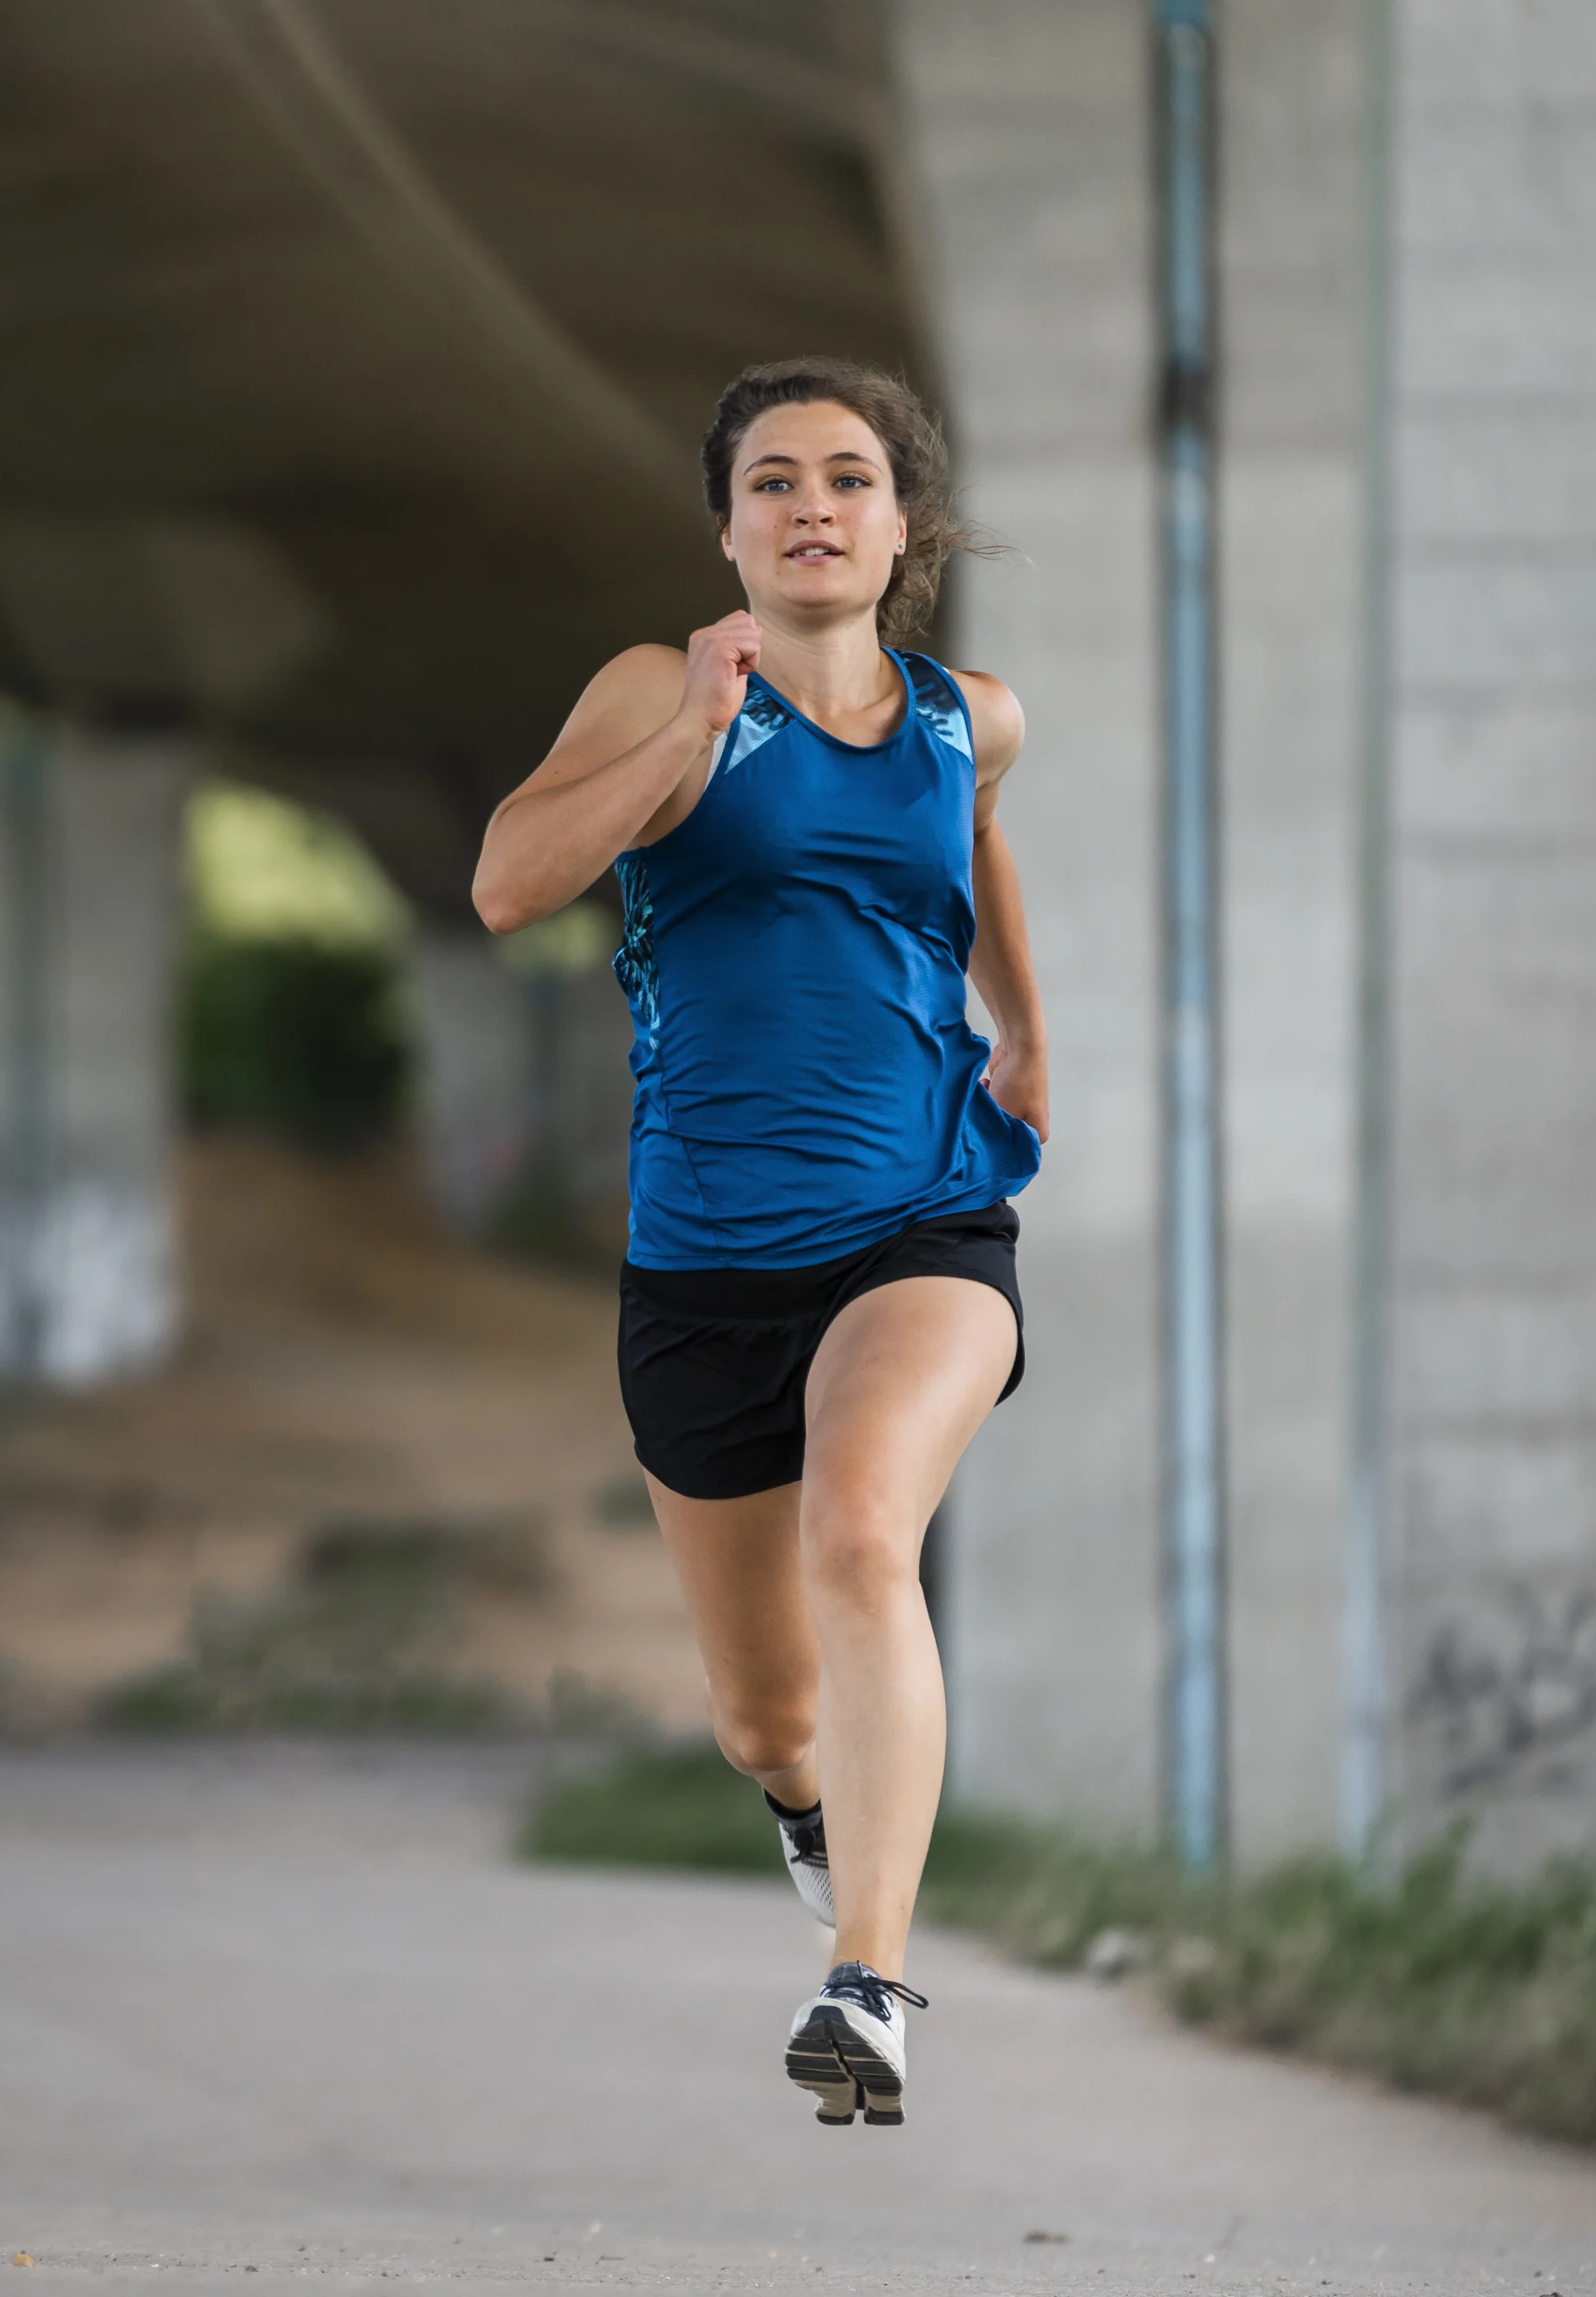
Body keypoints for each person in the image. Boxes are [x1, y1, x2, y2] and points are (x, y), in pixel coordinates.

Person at [471, 358, 1046, 2129]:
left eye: (850, 479)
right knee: (761, 1721)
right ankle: (809, 1807)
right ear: (726, 529)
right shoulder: (663, 686)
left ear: (900, 525)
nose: (814, 504)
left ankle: (864, 1984)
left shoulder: (974, 715)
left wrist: (1028, 1023)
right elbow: (507, 886)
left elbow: (975, 845)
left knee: (863, 1529)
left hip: (922, 1220)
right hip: (707, 1262)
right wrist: (686, 739)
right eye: (776, 480)